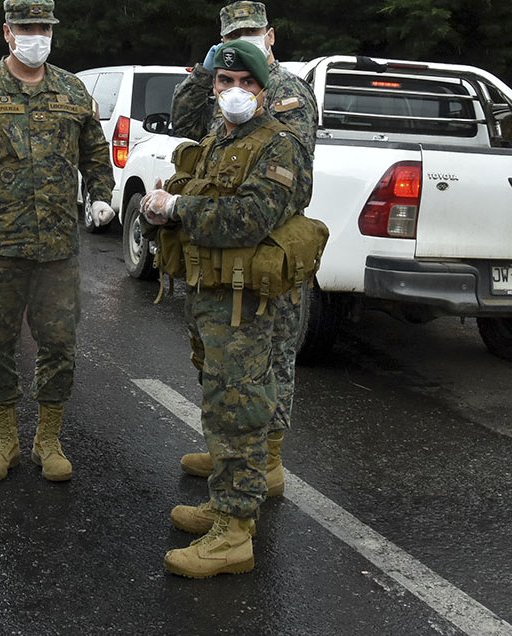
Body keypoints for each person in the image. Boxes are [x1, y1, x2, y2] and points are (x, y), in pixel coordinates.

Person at [142, 40, 320, 578]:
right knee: (220, 401)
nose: (235, 91)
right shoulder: (220, 138)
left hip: (246, 305)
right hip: (213, 296)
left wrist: (179, 208)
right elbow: (202, 193)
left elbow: (250, 217)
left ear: (264, 89)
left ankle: (235, 533)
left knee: (239, 408)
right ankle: (225, 506)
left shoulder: (279, 145)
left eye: (247, 83)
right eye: (225, 82)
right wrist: (162, 202)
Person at [0, 0, 115, 483]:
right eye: (26, 27)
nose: (36, 36)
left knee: (59, 344)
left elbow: (95, 155)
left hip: (57, 250)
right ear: (7, 33)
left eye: (43, 28)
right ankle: (4, 439)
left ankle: (48, 439)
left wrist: (100, 195)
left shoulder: (72, 90)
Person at [169, 0, 319, 502]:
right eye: (233, 35)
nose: (244, 40)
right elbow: (185, 122)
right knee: (223, 363)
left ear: (270, 35)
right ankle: (229, 450)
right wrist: (205, 72)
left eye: (252, 32)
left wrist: (194, 208)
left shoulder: (285, 91)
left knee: (268, 360)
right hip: (223, 243)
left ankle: (265, 459)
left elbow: (282, 179)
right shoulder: (226, 85)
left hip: (265, 244)